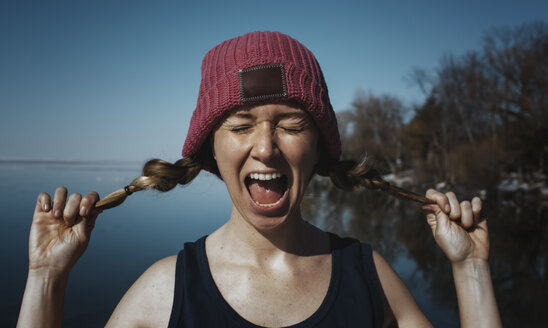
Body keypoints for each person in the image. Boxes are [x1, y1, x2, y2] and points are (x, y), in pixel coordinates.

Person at [17, 31, 502, 328]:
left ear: (319, 149)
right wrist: (46, 279)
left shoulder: (368, 276)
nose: (266, 146)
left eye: (291, 124)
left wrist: (471, 271)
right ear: (212, 147)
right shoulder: (163, 293)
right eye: (241, 125)